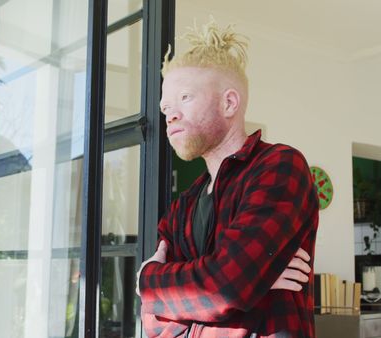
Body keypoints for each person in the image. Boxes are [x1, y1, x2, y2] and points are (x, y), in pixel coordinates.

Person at [136, 19, 320, 338]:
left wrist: (147, 281)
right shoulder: (183, 207)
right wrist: (251, 284)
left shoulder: (280, 166)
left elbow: (227, 288)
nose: (170, 115)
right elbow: (151, 321)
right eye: (166, 107)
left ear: (229, 103)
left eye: (185, 98)